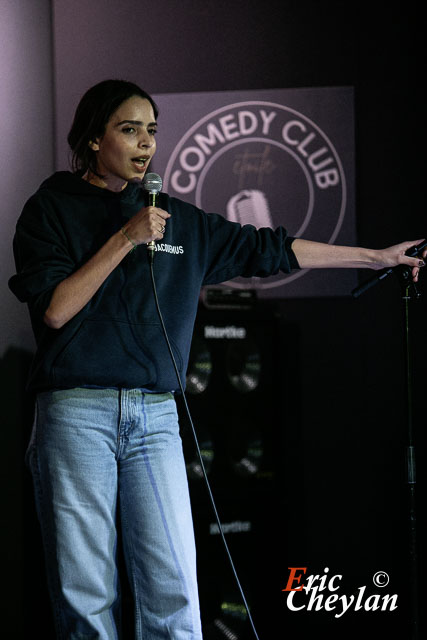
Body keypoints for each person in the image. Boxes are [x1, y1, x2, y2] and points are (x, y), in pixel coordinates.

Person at [8, 79, 426, 640]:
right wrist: (125, 240)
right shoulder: (50, 209)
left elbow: (270, 247)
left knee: (175, 589)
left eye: (152, 131)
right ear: (91, 139)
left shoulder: (176, 219)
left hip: (155, 419)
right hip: (77, 414)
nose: (145, 143)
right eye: (128, 129)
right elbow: (56, 311)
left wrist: (375, 257)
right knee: (87, 597)